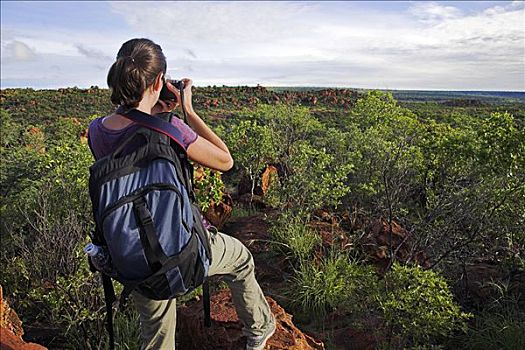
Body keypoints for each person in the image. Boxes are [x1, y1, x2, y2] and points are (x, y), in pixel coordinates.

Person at [87, 38, 275, 350]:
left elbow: (129, 151)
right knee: (241, 259)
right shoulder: (171, 127)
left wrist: (151, 108)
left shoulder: (97, 130)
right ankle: (259, 331)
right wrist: (186, 109)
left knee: (157, 336)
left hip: (131, 251)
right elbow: (225, 160)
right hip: (179, 246)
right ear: (159, 81)